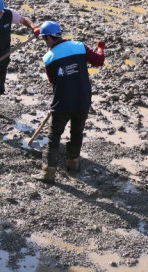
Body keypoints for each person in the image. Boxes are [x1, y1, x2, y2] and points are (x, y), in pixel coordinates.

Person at [38, 20, 105, 181]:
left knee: (54, 136)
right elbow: (99, 61)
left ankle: (48, 172)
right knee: (76, 131)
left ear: (49, 38)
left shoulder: (49, 58)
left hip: (62, 102)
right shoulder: (79, 46)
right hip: (82, 99)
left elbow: (52, 81)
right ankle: (73, 163)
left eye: (44, 39)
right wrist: (100, 48)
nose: (44, 42)